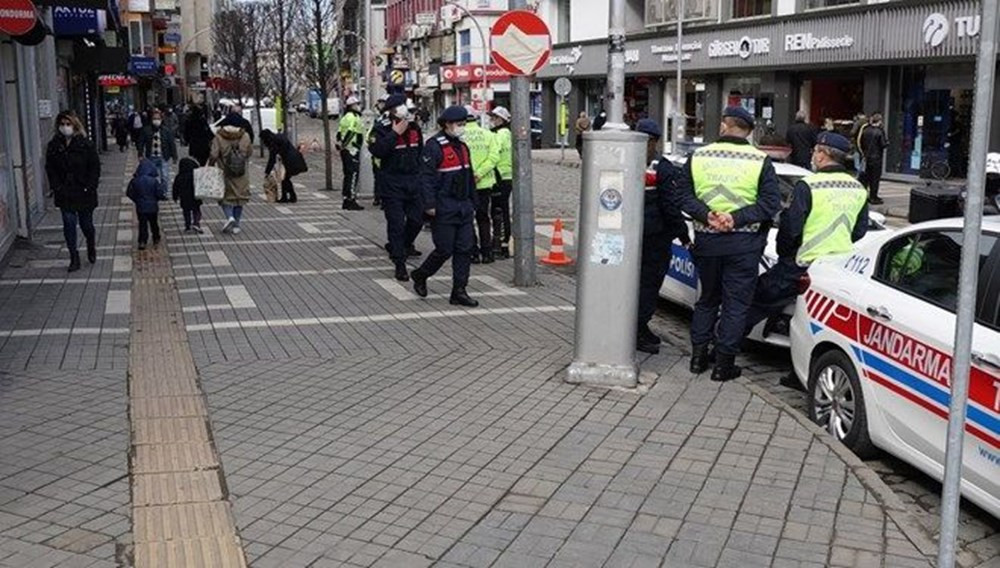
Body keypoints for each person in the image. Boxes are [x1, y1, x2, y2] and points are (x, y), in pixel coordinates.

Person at [672, 106, 782, 382]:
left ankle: (697, 359)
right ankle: (723, 366)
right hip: (744, 245)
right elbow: (770, 204)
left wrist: (706, 215)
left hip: (708, 242)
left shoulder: (699, 156)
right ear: (749, 131)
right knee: (736, 305)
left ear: (723, 126)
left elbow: (682, 195)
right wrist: (735, 218)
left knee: (707, 300)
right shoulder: (760, 160)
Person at [744, 131, 869, 340]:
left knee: (754, 300)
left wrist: (786, 255)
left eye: (815, 152)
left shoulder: (809, 185)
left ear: (822, 155)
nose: (812, 156)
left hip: (801, 264)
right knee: (818, 319)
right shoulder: (857, 188)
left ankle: (722, 354)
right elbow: (859, 230)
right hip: (836, 265)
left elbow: (791, 227)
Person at [410, 106, 479, 307]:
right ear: (447, 124)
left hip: (463, 206)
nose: (462, 127)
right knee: (444, 249)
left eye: (463, 124)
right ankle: (421, 275)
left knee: (465, 249)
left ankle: (459, 290)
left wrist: (475, 202)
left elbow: (469, 176)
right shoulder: (434, 146)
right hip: (444, 206)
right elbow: (426, 179)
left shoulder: (462, 147)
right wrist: (429, 204)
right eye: (459, 124)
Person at [634, 118, 689, 355]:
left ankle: (633, 327)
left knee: (630, 284)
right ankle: (637, 329)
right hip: (654, 240)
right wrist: (684, 235)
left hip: (628, 237)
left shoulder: (623, 160)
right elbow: (671, 207)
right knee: (647, 285)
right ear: (655, 141)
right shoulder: (663, 167)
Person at [369, 94, 424, 281]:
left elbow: (420, 154)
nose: (404, 109)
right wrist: (395, 133)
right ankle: (400, 263)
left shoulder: (414, 127)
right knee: (396, 224)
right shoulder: (381, 129)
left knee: (417, 220)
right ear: (392, 110)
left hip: (413, 182)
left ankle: (401, 246)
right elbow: (377, 150)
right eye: (400, 106)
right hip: (392, 183)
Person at [45, 111, 101, 272]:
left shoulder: (85, 145)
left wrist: (90, 186)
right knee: (69, 224)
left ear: (75, 125)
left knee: (86, 224)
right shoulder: (54, 146)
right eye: (62, 124)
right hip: (65, 192)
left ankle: (91, 244)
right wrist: (57, 187)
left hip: (84, 191)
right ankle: (73, 257)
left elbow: (94, 168)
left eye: (68, 124)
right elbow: (50, 168)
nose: (65, 127)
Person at [463, 107, 499, 264]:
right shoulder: (488, 135)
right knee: (484, 218)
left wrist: (472, 175)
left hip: (466, 184)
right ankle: (487, 252)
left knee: (468, 219)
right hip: (484, 183)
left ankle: (473, 252)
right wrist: (480, 173)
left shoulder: (460, 136)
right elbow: (494, 158)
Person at [209, 120, 252, 235]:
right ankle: (236, 225)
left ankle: (229, 217)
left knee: (225, 197)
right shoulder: (245, 136)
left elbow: (214, 154)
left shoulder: (219, 136)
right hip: (241, 173)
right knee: (240, 198)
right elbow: (249, 153)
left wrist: (211, 165)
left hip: (225, 172)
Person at [488, 106, 513, 260]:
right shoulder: (504, 133)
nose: (492, 120)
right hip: (504, 177)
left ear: (502, 120)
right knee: (501, 211)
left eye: (495, 118)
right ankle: (501, 243)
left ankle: (501, 244)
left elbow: (494, 155)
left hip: (501, 177)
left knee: (499, 212)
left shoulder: (501, 134)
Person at [127, 159, 166, 250]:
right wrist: (158, 199)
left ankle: (142, 241)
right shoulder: (154, 181)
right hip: (153, 207)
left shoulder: (135, 181)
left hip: (141, 207)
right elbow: (159, 193)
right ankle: (156, 237)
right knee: (154, 223)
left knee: (142, 224)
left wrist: (137, 199)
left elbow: (129, 192)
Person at [261, 129, 308, 203]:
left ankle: (287, 197)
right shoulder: (279, 137)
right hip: (295, 157)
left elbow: (272, 159)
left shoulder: (273, 142)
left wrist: (267, 171)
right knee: (286, 178)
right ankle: (290, 196)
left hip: (290, 161)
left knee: (285, 179)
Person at [140, 109, 178, 197]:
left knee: (164, 176)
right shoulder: (146, 130)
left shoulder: (166, 131)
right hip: (151, 157)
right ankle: (156, 193)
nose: (156, 121)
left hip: (163, 156)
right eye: (154, 118)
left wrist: (174, 156)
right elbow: (141, 142)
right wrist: (140, 154)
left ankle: (164, 192)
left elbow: (171, 143)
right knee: (154, 177)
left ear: (161, 119)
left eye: (158, 118)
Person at [337, 95, 365, 210]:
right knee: (353, 174)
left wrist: (340, 144)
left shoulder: (344, 117)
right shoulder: (353, 117)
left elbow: (339, 133)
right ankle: (351, 200)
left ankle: (345, 198)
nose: (358, 106)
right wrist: (345, 145)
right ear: (352, 106)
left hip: (346, 150)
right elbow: (351, 132)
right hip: (352, 149)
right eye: (357, 104)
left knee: (347, 175)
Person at [860, 112, 888, 205]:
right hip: (876, 158)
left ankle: (864, 195)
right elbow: (883, 144)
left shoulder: (865, 130)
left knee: (866, 178)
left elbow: (861, 142)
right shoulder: (880, 131)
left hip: (867, 157)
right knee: (875, 178)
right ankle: (873, 197)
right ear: (879, 121)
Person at [172, 157, 203, 233]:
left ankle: (187, 226)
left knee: (186, 212)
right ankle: (196, 223)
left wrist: (175, 197)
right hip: (195, 197)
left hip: (184, 198)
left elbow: (175, 188)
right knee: (196, 211)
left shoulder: (179, 176)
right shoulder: (195, 175)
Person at [370, 93, 390, 208]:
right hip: (377, 154)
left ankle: (383, 198)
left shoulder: (387, 118)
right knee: (378, 177)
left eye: (382, 103)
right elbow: (372, 135)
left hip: (385, 154)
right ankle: (378, 197)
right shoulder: (379, 118)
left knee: (384, 177)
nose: (379, 105)